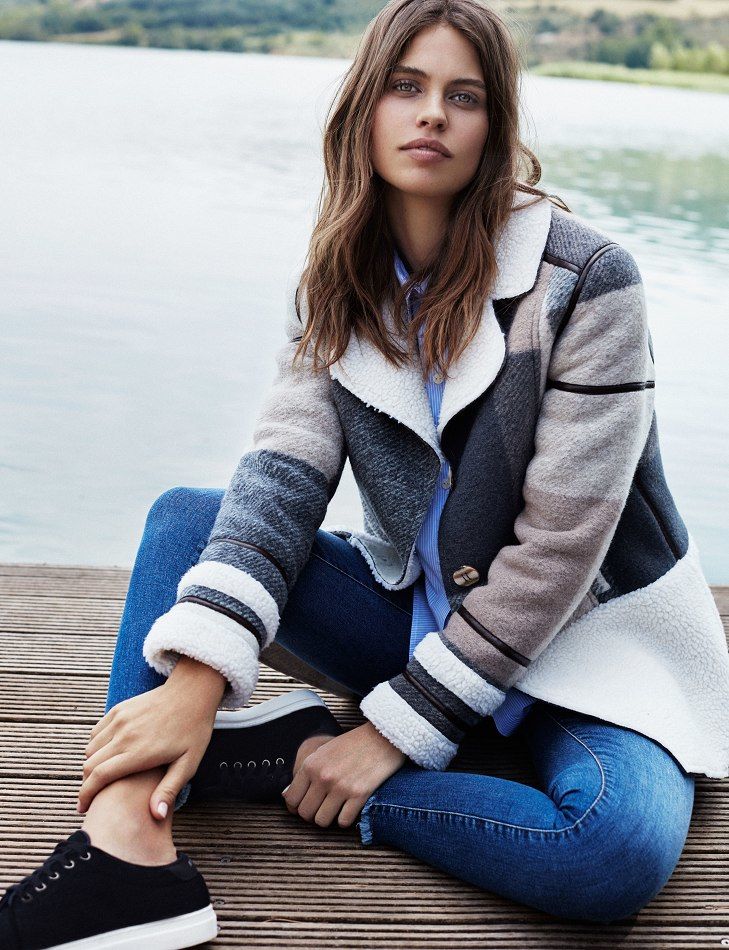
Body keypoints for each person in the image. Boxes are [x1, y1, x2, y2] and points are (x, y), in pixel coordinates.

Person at [3, 1, 729, 946]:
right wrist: (191, 688)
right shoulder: (339, 279)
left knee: (610, 851)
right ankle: (122, 849)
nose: (431, 113)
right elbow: (282, 480)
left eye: (463, 96)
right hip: (420, 615)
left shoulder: (586, 283)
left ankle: (285, 758)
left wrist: (383, 739)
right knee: (188, 519)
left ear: (494, 126)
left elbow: (559, 550)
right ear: (364, 109)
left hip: (588, 649)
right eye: (406, 86)